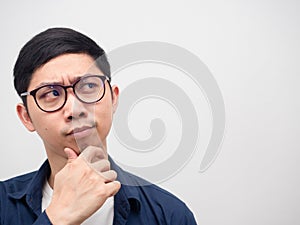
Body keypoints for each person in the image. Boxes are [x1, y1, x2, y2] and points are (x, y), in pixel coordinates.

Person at [0, 27, 197, 225]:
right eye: (51, 93)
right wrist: (57, 218)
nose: (75, 110)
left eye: (88, 86)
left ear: (113, 98)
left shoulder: (169, 215)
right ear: (26, 117)